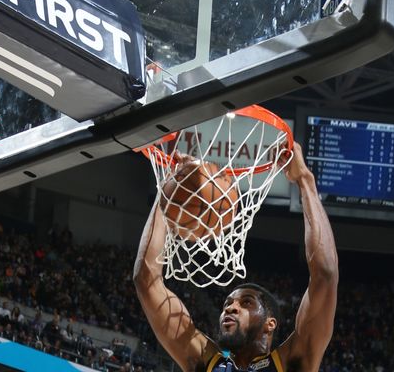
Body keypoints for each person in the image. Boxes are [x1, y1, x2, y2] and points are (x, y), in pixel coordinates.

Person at [134, 142, 338, 371]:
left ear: (270, 324)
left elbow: (325, 275)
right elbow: (146, 280)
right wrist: (169, 191)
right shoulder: (206, 361)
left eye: (246, 303)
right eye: (227, 303)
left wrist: (305, 181)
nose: (230, 308)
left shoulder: (290, 363)